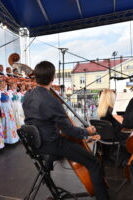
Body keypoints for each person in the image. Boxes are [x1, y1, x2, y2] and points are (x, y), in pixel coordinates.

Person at [23, 61, 109, 200]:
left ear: (37, 77)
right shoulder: (51, 101)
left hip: (35, 145)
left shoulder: (27, 96)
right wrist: (87, 132)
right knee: (94, 163)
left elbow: (39, 119)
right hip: (52, 144)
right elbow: (69, 130)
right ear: (52, 78)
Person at [0, 76, 19, 144]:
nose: (4, 84)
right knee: (4, 122)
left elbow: (9, 101)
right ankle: (5, 139)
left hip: (8, 108)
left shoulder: (6, 92)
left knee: (10, 122)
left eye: (5, 82)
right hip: (3, 107)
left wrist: (10, 108)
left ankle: (12, 138)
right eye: (2, 82)